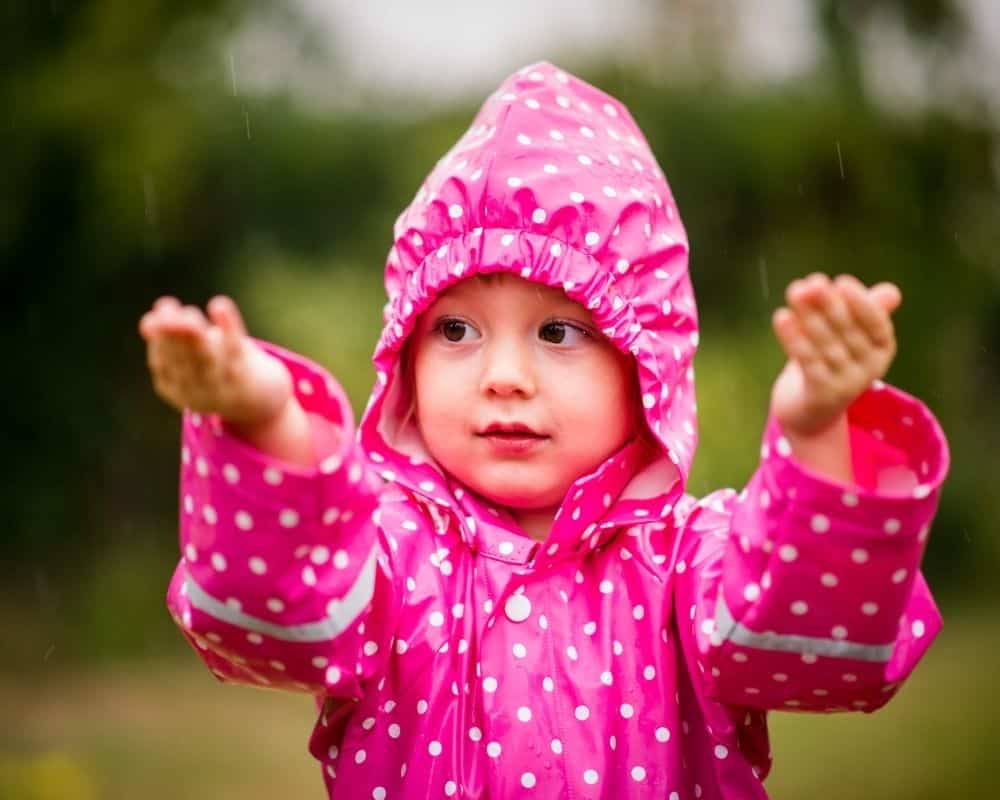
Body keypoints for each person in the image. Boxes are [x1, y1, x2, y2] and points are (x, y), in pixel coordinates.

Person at [139, 62, 949, 799]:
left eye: (559, 333)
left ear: (645, 368)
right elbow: (268, 620)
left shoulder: (689, 564)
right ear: (407, 358)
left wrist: (814, 432)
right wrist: (265, 421)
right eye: (456, 330)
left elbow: (814, 649)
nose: (504, 376)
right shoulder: (384, 558)